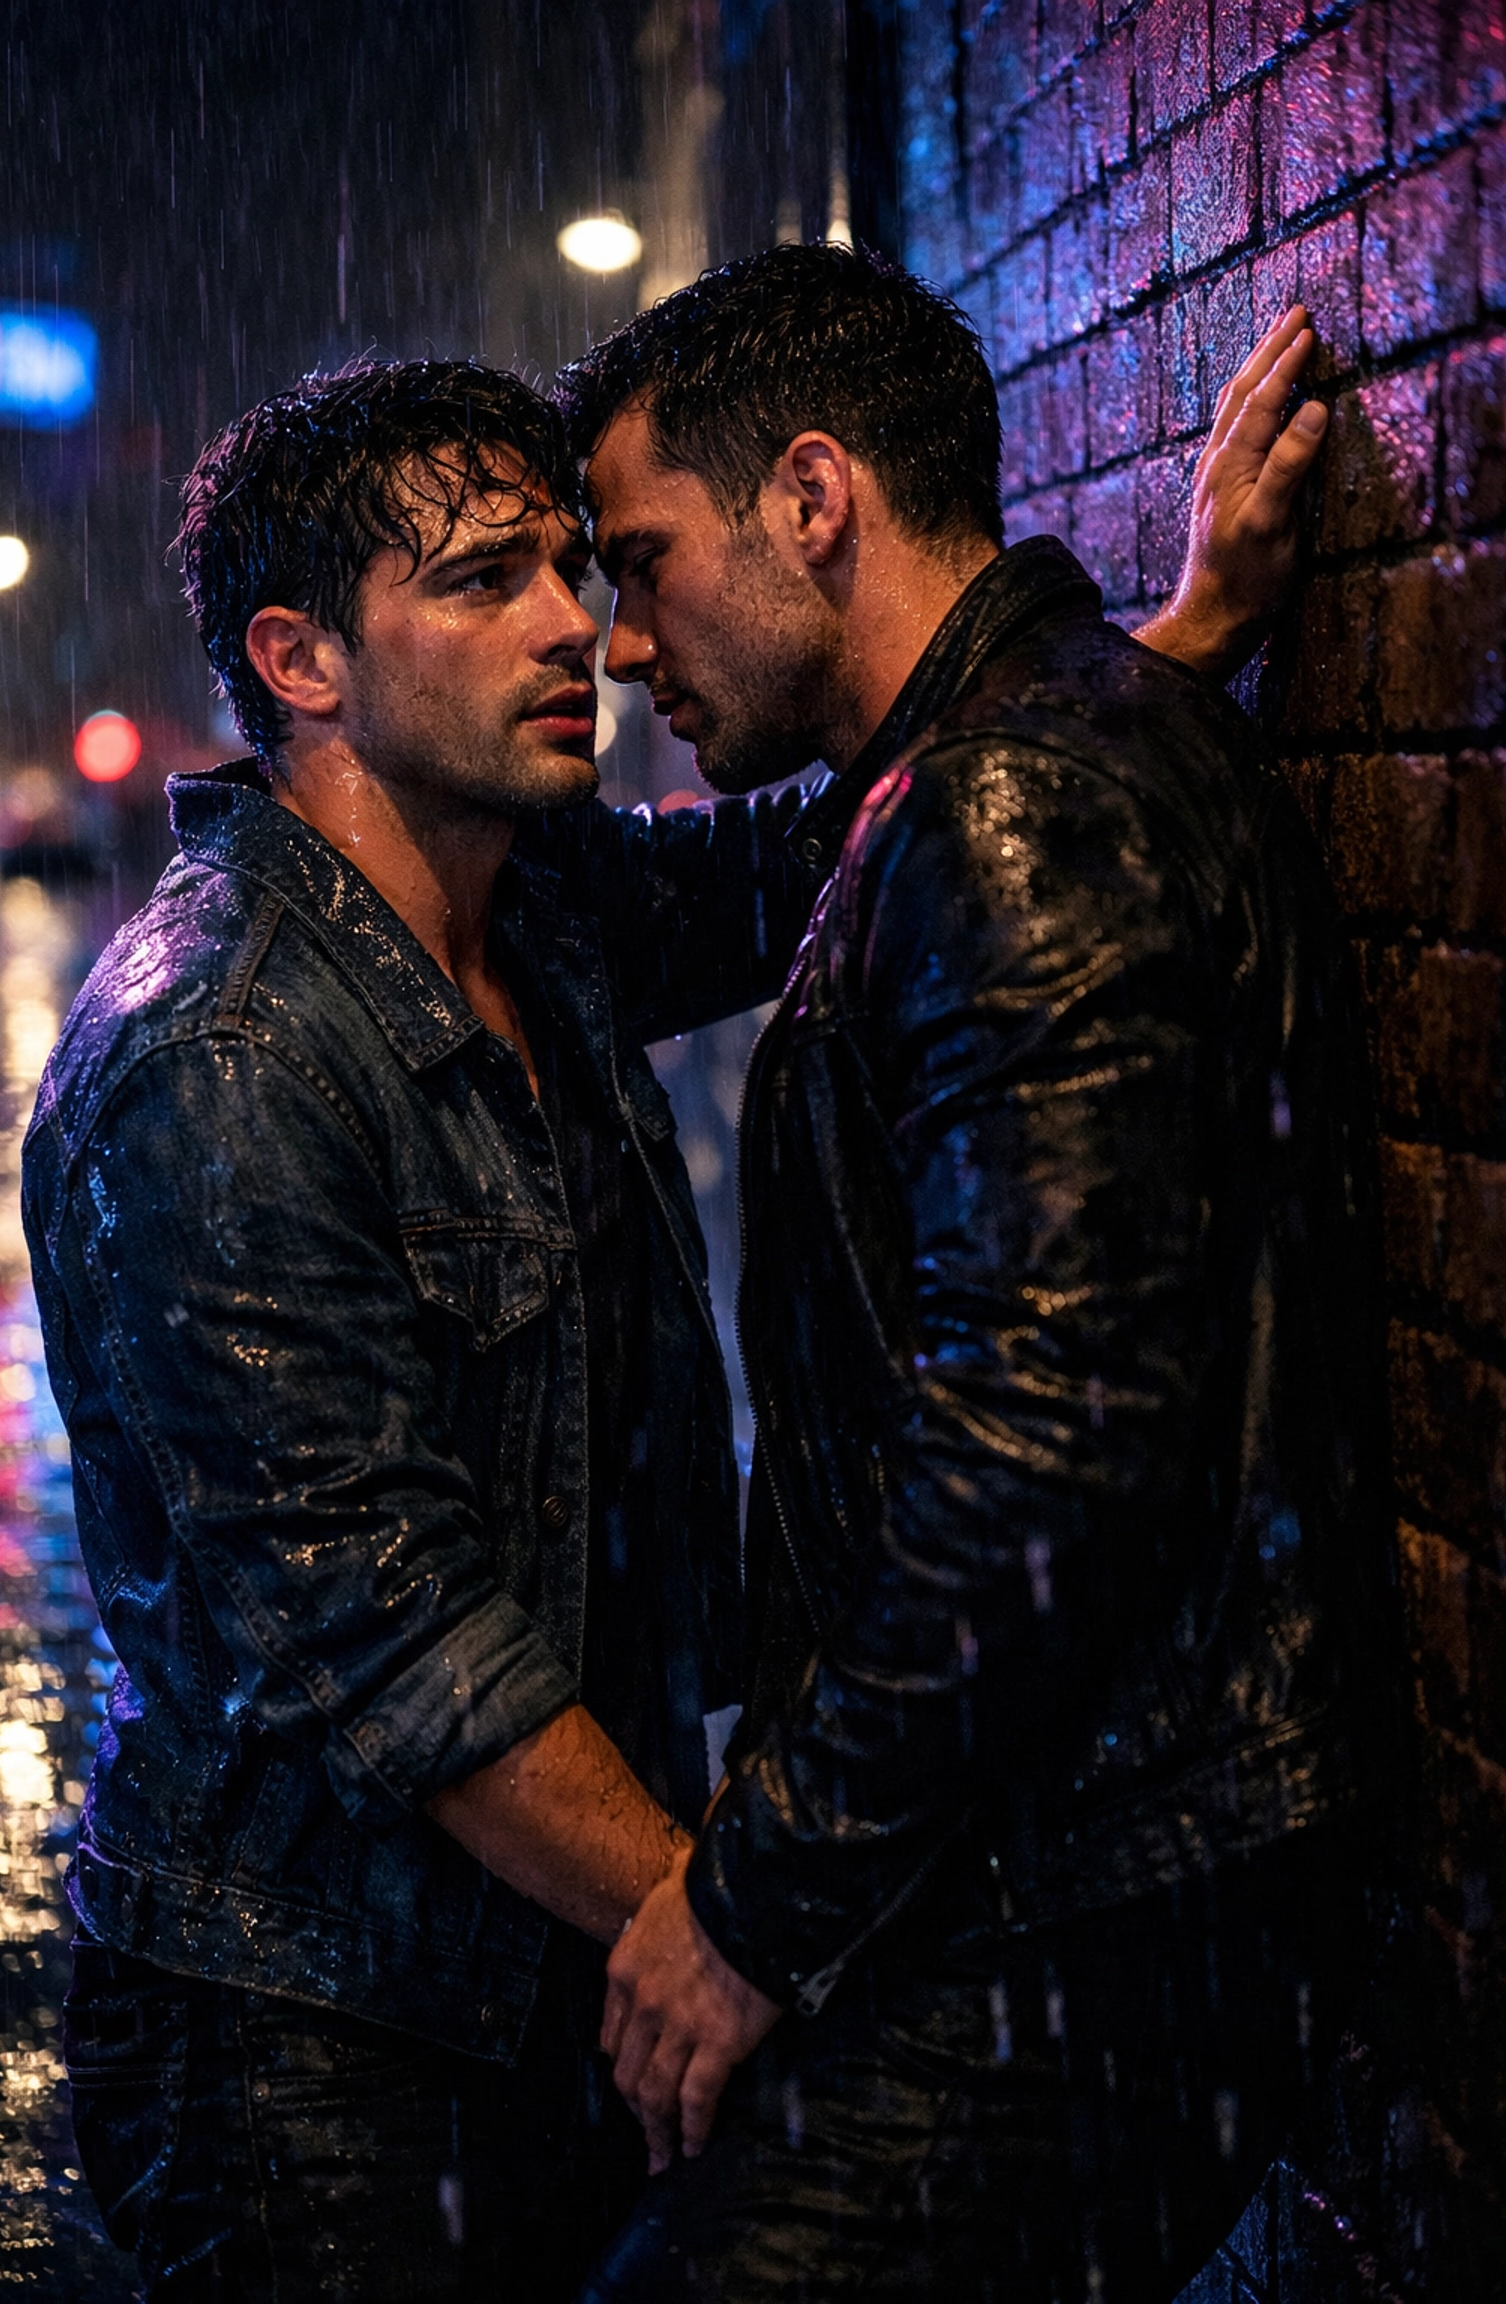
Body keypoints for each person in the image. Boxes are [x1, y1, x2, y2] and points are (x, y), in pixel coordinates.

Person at [25, 327, 1302, 2298]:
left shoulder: (535, 906)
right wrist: (746, 1928)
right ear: (300, 663)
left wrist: (1176, 637)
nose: (577, 630)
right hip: (311, 2047)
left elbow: (857, 832)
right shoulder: (223, 1052)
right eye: (482, 580)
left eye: (577, 564)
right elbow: (397, 1645)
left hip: (550, 1981)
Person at [550, 247, 1400, 2300]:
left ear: (814, 500)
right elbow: (666, 917)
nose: (615, 634)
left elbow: (1039, 1453)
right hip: (1078, 1861)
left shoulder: (1012, 801)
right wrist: (1184, 637)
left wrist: (753, 1906)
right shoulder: (976, 773)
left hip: (1105, 1904)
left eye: (642, 559)